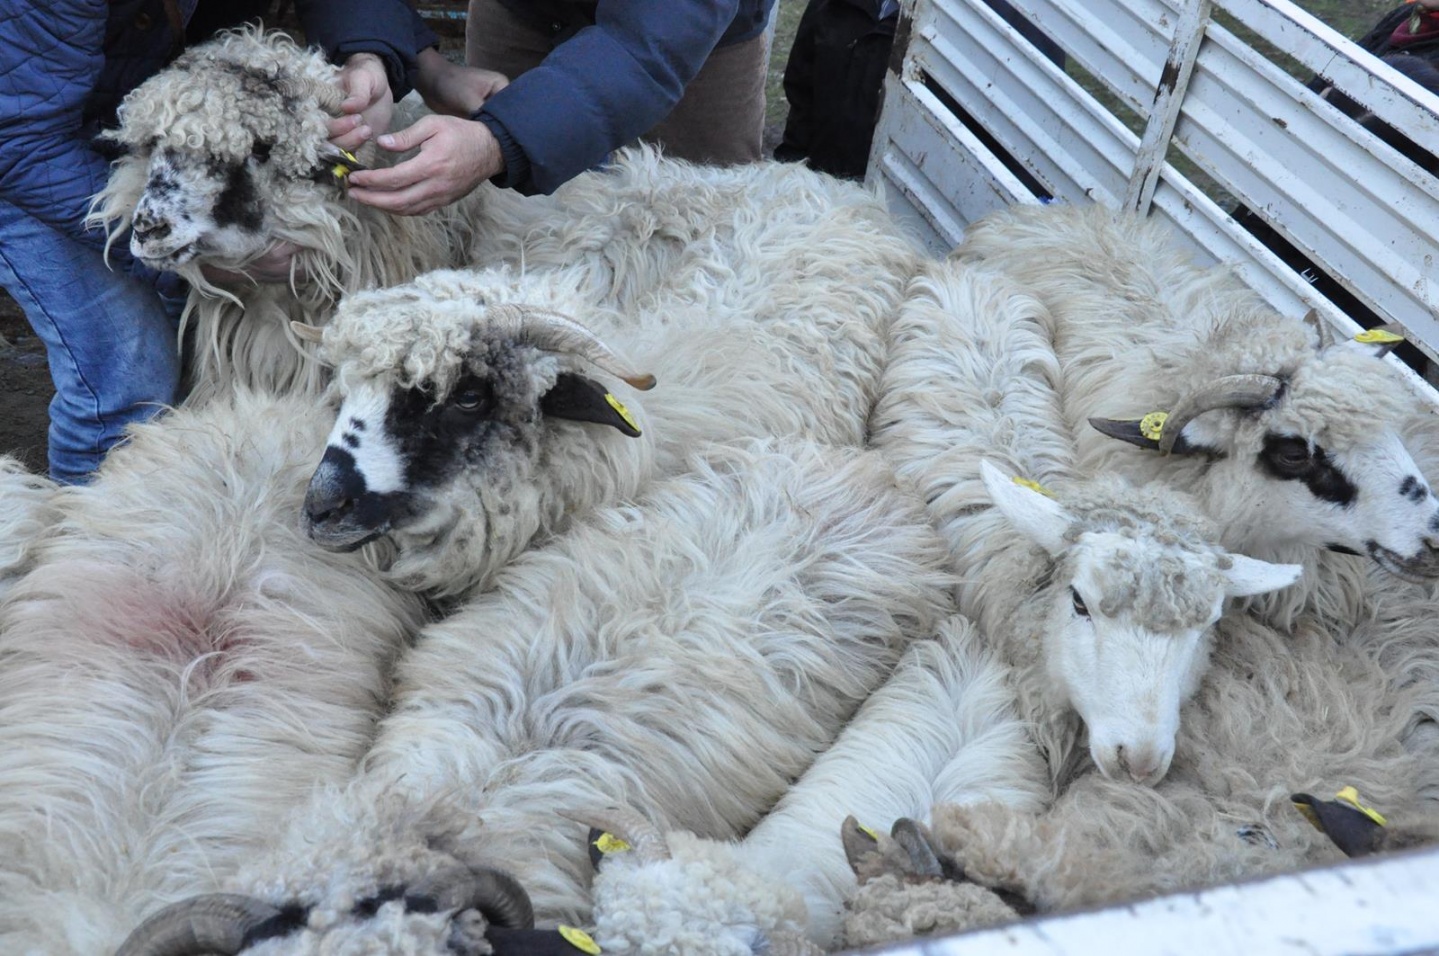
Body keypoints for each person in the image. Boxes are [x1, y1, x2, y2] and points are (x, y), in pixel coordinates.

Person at [0, 0, 432, 484]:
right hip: (23, 152)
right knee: (127, 371)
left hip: (126, 122)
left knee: (183, 342)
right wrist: (210, 267)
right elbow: (18, 136)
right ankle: (95, 539)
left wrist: (369, 53)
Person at [343, 0, 778, 214]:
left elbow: (653, 41)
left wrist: (501, 139)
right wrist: (424, 64)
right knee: (504, 228)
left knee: (696, 226)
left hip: (690, 33)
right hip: (524, 10)